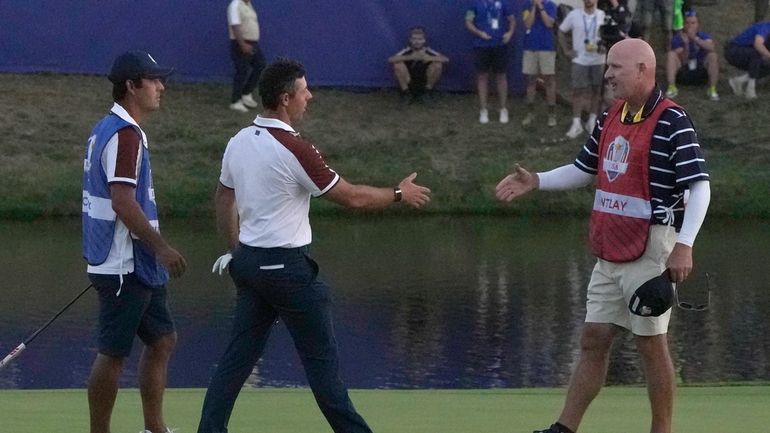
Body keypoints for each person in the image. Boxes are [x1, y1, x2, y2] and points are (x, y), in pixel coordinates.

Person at [197, 58, 431, 433]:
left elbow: (224, 199)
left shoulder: (239, 140)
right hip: (288, 272)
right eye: (305, 91)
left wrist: (237, 249)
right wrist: (399, 193)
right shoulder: (294, 148)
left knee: (235, 363)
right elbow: (352, 197)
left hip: (250, 268)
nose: (311, 96)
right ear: (287, 98)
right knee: (324, 373)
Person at [495, 38, 710, 433]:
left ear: (643, 69)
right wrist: (537, 181)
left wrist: (684, 246)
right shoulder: (613, 114)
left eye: (616, 67)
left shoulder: (671, 119)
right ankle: (564, 428)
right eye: (608, 67)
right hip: (610, 247)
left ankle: (661, 429)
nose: (607, 74)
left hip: (652, 246)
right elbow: (585, 168)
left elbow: (699, 187)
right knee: (593, 338)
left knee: (651, 343)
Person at [82, 50, 187, 433]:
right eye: (153, 79)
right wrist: (161, 246)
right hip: (123, 262)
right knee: (113, 354)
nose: (161, 86)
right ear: (131, 86)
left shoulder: (110, 128)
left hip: (132, 260)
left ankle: (155, 428)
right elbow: (122, 202)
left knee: (162, 339)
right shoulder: (124, 136)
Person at [558, 0, 606, 138]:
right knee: (578, 91)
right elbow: (561, 31)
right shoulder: (574, 15)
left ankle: (592, 120)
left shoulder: (603, 15)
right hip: (580, 60)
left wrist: (606, 46)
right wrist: (566, 50)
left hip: (598, 59)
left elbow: (609, 35)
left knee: (596, 90)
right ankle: (576, 123)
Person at [465, 0, 516, 124]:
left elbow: (512, 20)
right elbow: (468, 22)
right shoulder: (474, 3)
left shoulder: (505, 3)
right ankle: (483, 110)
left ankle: (503, 109)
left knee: (501, 76)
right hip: (481, 45)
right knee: (482, 77)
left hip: (500, 45)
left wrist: (509, 33)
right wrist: (479, 33)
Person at [664, 10, 720, 101]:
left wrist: (695, 38)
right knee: (671, 54)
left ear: (698, 24)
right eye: (687, 23)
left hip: (700, 71)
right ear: (683, 24)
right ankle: (672, 87)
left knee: (713, 56)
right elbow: (683, 60)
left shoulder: (703, 36)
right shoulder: (677, 38)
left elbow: (711, 47)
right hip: (683, 72)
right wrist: (686, 45)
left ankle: (712, 89)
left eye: (693, 23)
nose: (690, 25)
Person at [520, 0, 559, 127]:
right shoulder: (526, 5)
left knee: (549, 81)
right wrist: (533, 7)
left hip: (546, 47)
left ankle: (551, 114)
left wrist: (540, 6)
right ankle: (530, 113)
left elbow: (549, 23)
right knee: (530, 80)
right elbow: (528, 24)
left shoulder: (551, 5)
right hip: (530, 47)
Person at [388, 26, 449, 104]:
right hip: (409, 82)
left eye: (420, 39)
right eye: (414, 39)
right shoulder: (407, 50)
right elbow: (391, 59)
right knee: (397, 65)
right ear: (410, 40)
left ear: (424, 40)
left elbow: (446, 59)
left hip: (424, 82)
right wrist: (411, 57)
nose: (417, 42)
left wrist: (429, 58)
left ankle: (427, 93)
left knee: (438, 65)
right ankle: (406, 94)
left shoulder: (428, 51)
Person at [227, 0, 266, 112]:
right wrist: (242, 44)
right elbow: (235, 25)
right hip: (241, 43)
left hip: (252, 43)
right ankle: (235, 101)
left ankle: (246, 93)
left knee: (260, 65)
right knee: (242, 70)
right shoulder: (235, 5)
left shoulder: (248, 5)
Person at [725, 20, 770, 100]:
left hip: (748, 54)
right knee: (757, 53)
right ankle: (750, 89)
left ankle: (738, 81)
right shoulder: (765, 27)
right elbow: (758, 45)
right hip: (733, 50)